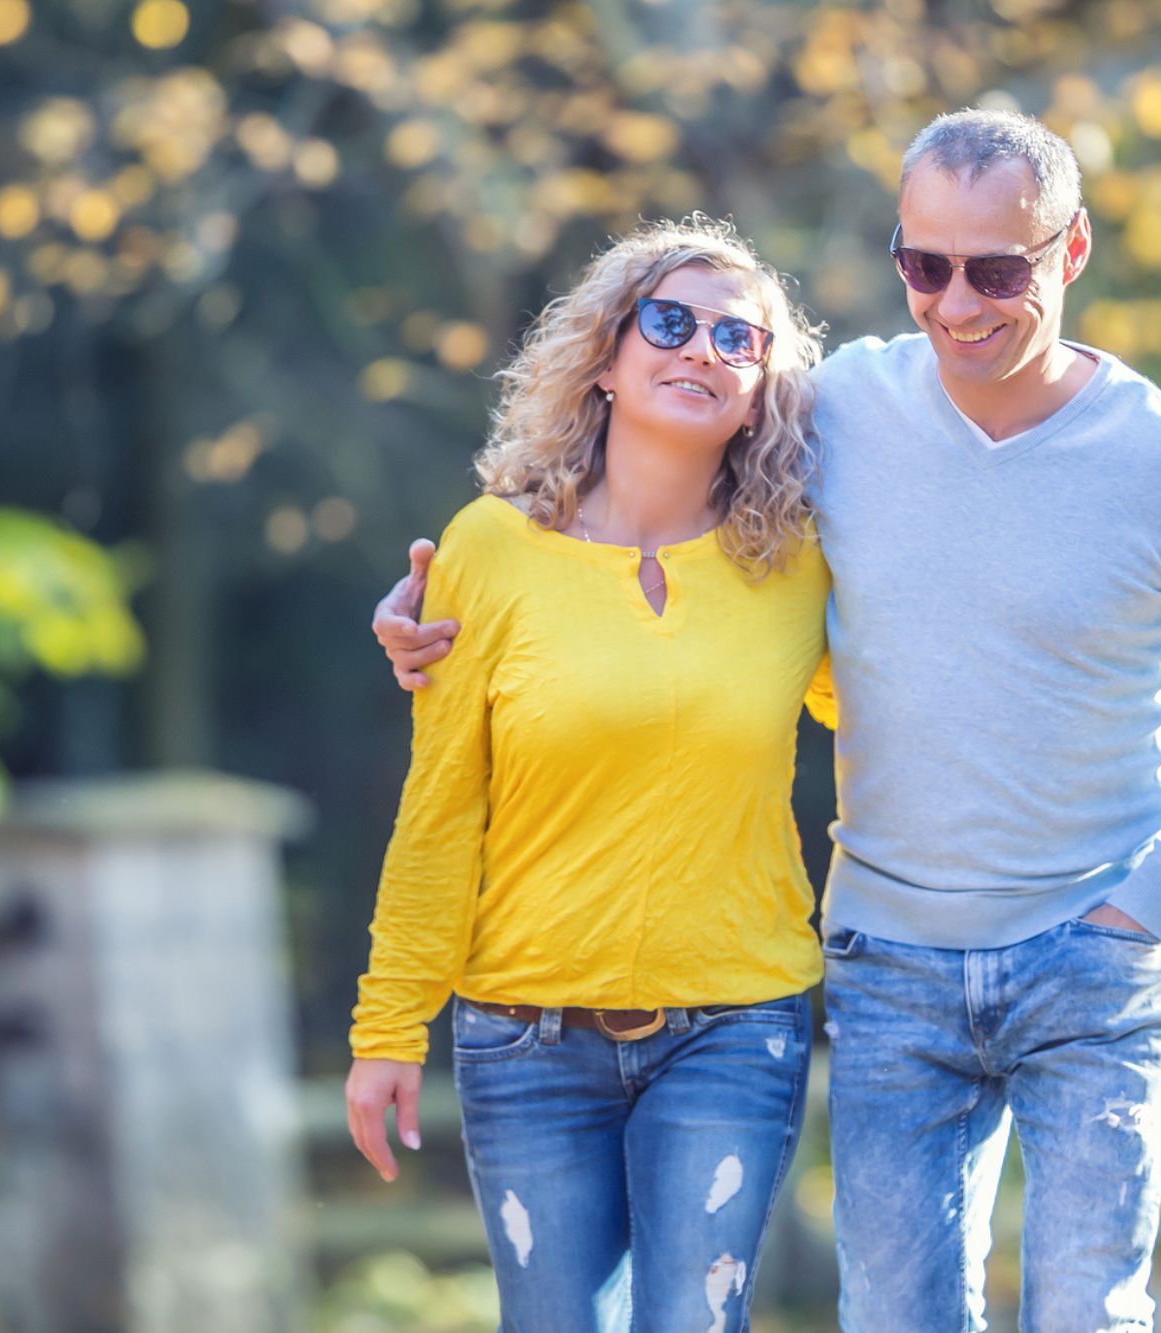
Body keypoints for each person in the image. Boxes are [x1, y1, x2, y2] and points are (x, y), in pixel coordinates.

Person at [375, 111, 1161, 1333]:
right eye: (921, 265)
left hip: (1094, 957)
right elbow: (638, 497)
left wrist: (1151, 899)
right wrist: (435, 611)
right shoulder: (833, 412)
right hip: (889, 960)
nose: (955, 302)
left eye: (996, 269)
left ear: (1071, 251)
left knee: (1088, 1313)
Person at [344, 215, 833, 1333]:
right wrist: (387, 1028)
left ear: (761, 392)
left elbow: (890, 718)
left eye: (737, 339)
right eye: (669, 321)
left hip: (734, 1019)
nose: (701, 350)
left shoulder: (800, 565)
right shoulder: (487, 549)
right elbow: (438, 813)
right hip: (521, 1033)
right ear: (606, 359)